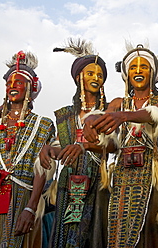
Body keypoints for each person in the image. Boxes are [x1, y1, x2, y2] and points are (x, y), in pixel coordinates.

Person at [84, 43, 158, 247]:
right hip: (123, 176)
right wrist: (90, 122)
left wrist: (123, 116)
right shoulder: (118, 103)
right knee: (118, 231)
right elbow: (101, 116)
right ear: (126, 74)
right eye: (133, 67)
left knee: (151, 232)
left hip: (153, 176)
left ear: (152, 72)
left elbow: (153, 113)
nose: (138, 71)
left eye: (144, 67)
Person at [39, 38, 115, 248]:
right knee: (65, 235)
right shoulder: (65, 115)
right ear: (78, 77)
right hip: (68, 182)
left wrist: (86, 146)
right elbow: (61, 146)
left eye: (100, 75)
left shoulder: (111, 110)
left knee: (94, 236)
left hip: (99, 181)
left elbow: (115, 146)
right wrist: (49, 150)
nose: (96, 78)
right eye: (90, 73)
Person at [0, 51, 55, 248]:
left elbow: (42, 168)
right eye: (9, 82)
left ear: (31, 87)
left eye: (18, 82)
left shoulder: (42, 125)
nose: (12, 86)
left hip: (24, 199)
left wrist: (31, 208)